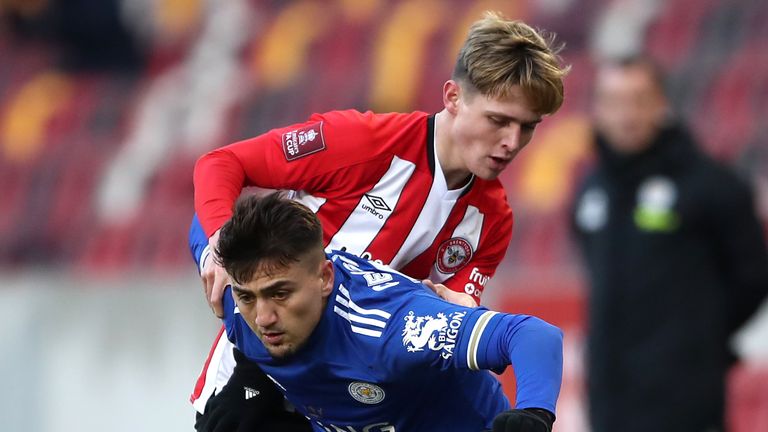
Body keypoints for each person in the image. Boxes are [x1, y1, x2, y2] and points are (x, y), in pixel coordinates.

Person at [190, 11, 569, 430]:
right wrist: (218, 248)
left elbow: (442, 316)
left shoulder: (492, 222)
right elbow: (222, 164)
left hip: (349, 401)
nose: (512, 143)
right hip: (260, 371)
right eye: (498, 120)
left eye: (527, 128)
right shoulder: (360, 141)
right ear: (453, 98)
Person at [203, 192, 563, 431]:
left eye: (280, 293)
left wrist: (533, 414)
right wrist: (210, 251)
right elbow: (207, 196)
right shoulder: (236, 306)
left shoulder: (394, 327)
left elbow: (532, 335)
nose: (263, 318)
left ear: (325, 278)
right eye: (248, 297)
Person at [571, 55, 768, 432]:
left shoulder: (713, 185)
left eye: (638, 99)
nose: (626, 114)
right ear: (598, 109)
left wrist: (698, 337)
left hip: (685, 402)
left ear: (661, 104)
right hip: (608, 401)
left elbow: (753, 278)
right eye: (613, 101)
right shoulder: (590, 191)